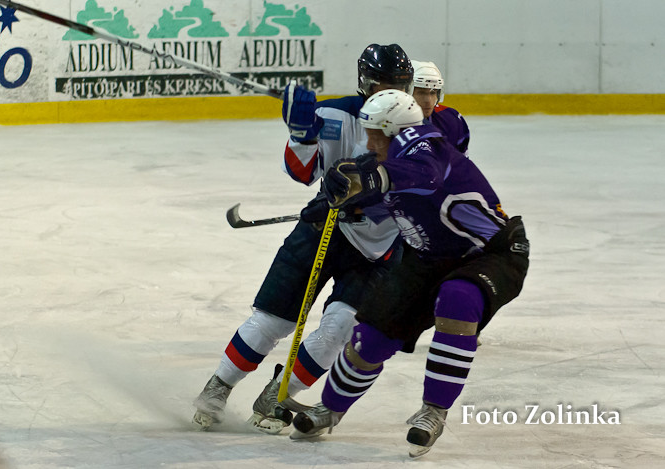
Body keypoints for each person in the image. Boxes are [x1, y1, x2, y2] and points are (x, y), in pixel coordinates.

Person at [289, 90, 530, 458]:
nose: (368, 142)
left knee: (458, 299)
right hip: (429, 257)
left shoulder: (424, 145)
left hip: (491, 252)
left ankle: (433, 411)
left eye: (374, 134)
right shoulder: (383, 159)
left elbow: (425, 175)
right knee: (370, 336)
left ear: (393, 131)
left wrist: (370, 179)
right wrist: (333, 202)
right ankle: (330, 409)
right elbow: (379, 196)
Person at [191, 44, 414, 434]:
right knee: (272, 318)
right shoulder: (332, 114)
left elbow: (416, 192)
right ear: (365, 83)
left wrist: (365, 197)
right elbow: (302, 173)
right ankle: (218, 387)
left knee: (339, 329)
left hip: (376, 251)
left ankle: (276, 396)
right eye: (383, 84)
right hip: (320, 230)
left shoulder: (420, 134)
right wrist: (300, 134)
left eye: (400, 85)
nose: (393, 92)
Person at [410, 60, 470, 155]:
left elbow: (460, 165)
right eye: (421, 92)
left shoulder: (452, 120)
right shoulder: (391, 122)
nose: (428, 100)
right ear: (408, 92)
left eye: (432, 93)